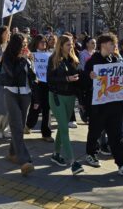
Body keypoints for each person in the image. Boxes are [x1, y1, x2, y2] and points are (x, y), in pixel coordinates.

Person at [83, 33, 123, 176]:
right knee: (95, 131)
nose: (114, 47)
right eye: (111, 44)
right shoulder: (93, 61)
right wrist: (89, 77)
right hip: (98, 106)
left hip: (115, 105)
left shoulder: (115, 59)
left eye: (114, 44)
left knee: (117, 136)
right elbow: (84, 82)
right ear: (103, 45)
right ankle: (91, 153)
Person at [0, 33, 36, 176]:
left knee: (20, 123)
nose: (25, 47)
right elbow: (12, 74)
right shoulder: (7, 57)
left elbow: (33, 76)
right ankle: (25, 160)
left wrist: (30, 62)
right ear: (16, 45)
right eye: (22, 44)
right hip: (11, 93)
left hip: (26, 93)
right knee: (17, 126)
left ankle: (12, 152)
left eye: (26, 44)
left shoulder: (27, 58)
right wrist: (22, 60)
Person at [47, 34, 84, 175]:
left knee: (62, 128)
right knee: (64, 128)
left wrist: (80, 101)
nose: (71, 46)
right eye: (68, 44)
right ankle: (72, 161)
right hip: (56, 97)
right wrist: (66, 79)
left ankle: (56, 154)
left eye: (72, 44)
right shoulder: (53, 59)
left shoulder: (74, 59)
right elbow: (50, 79)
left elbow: (78, 81)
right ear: (61, 45)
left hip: (70, 98)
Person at [25, 35, 54, 142]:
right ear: (36, 43)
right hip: (36, 83)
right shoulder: (32, 54)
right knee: (35, 106)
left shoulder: (50, 55)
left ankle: (46, 133)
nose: (44, 43)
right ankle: (29, 125)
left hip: (47, 84)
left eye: (45, 42)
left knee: (47, 108)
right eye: (41, 42)